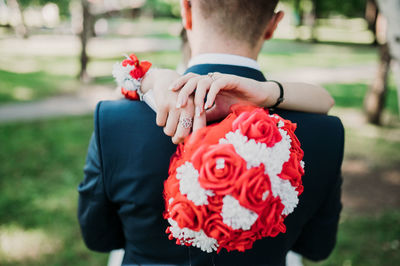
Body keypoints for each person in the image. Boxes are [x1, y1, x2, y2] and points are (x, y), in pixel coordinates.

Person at [78, 1, 344, 265]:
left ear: (187, 12)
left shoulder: (113, 121)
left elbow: (98, 237)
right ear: (273, 25)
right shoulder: (326, 132)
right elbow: (316, 247)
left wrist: (149, 79)